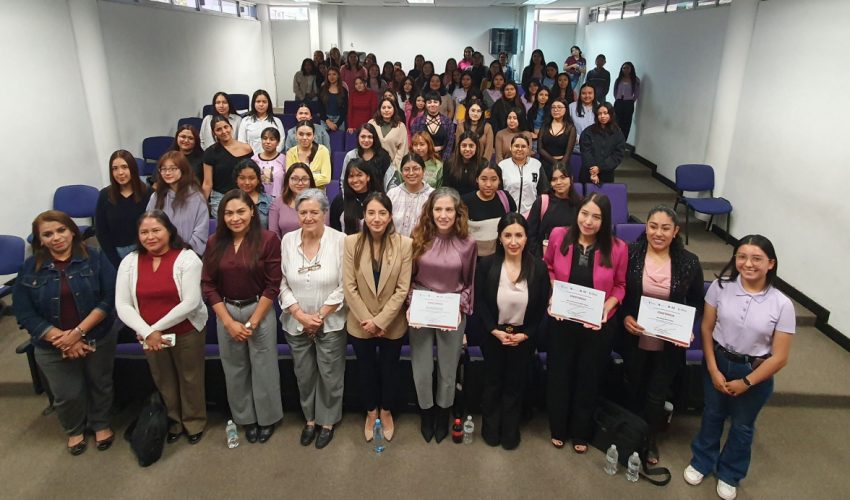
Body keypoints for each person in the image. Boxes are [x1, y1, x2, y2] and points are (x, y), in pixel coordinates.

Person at [684, 235, 795, 500]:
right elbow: (706, 329)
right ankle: (702, 461)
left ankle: (730, 473)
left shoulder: (782, 304)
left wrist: (746, 382)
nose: (748, 264)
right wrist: (713, 368)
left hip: (754, 371)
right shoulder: (720, 287)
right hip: (719, 360)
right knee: (712, 414)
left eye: (757, 258)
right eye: (742, 257)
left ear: (771, 263)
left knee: (743, 426)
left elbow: (780, 357)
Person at [13, 211, 117, 455]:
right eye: (48, 234)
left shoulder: (95, 257)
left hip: (96, 335)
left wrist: (78, 333)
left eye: (61, 230)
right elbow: (23, 311)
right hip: (52, 343)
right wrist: (61, 338)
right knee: (66, 393)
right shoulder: (29, 268)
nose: (56, 238)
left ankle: (101, 424)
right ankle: (74, 429)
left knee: (100, 383)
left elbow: (109, 298)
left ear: (72, 231)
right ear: (40, 240)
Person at [619, 206, 704, 465]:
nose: (658, 233)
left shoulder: (689, 262)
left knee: (657, 392)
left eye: (665, 228)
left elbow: (696, 302)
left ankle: (649, 440)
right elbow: (618, 290)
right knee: (633, 386)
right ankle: (630, 435)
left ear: (676, 231)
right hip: (634, 336)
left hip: (668, 342)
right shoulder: (630, 254)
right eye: (653, 226)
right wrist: (625, 316)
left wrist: (686, 327)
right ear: (646, 227)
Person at [115, 210, 209, 445]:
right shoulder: (130, 261)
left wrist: (153, 329)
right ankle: (174, 421)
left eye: (156, 230)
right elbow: (122, 304)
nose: (150, 236)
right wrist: (148, 333)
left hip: (186, 331)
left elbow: (191, 302)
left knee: (190, 378)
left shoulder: (187, 259)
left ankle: (194, 421)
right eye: (144, 232)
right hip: (149, 336)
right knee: (163, 379)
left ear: (169, 231)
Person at [544, 192, 627, 453]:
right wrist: (554, 294)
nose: (588, 221)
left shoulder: (618, 247)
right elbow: (547, 267)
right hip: (562, 320)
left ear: (605, 220)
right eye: (584, 214)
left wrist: (607, 308)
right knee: (559, 375)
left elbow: (620, 286)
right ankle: (558, 427)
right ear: (577, 213)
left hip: (597, 325)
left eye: (596, 217)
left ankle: (581, 431)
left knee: (588, 378)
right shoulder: (559, 235)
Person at [201, 190, 283, 445]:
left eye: (240, 212)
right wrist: (228, 322)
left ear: (252, 211)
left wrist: (253, 322)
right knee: (234, 368)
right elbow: (208, 285)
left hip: (259, 309)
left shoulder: (268, 239)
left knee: (264, 367)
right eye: (228, 213)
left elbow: (273, 285)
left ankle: (267, 418)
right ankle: (246, 418)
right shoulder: (214, 242)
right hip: (226, 312)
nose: (235, 218)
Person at [279, 189, 347, 449]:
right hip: (296, 322)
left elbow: (345, 285)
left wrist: (318, 316)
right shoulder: (287, 241)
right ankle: (310, 419)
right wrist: (299, 314)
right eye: (303, 212)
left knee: (330, 374)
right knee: (304, 374)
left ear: (325, 213)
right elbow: (282, 283)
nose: (308, 217)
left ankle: (327, 422)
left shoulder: (340, 240)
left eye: (314, 212)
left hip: (330, 321)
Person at [476, 213, 550, 449]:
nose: (513, 241)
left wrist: (526, 333)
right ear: (499, 238)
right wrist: (493, 330)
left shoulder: (538, 268)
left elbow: (541, 307)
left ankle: (510, 431)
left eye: (519, 235)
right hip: (494, 335)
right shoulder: (487, 265)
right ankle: (490, 429)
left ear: (527, 238)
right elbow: (480, 303)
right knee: (492, 383)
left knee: (514, 386)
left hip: (523, 336)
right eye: (507, 235)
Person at [409, 187, 477, 443]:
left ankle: (443, 413)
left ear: (458, 213)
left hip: (452, 309)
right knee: (422, 367)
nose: (443, 215)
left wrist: (460, 308)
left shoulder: (468, 243)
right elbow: (408, 277)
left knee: (448, 369)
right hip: (421, 306)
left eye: (449, 209)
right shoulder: (418, 237)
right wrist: (411, 304)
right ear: (430, 211)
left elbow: (469, 282)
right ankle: (426, 412)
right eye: (438, 209)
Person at [343, 192, 413, 442]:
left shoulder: (404, 244)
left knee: (389, 369)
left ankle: (386, 411)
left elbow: (402, 289)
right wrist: (369, 321)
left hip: (392, 323)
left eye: (382, 213)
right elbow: (349, 286)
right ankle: (371, 412)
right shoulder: (351, 242)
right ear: (364, 215)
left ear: (390, 216)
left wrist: (381, 321)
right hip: (360, 322)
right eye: (371, 213)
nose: (376, 218)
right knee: (365, 370)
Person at [96, 149, 151, 268]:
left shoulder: (148, 193)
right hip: (115, 253)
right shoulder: (105, 195)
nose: (120, 172)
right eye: (115, 168)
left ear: (133, 168)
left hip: (144, 251)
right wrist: (117, 261)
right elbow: (101, 231)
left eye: (124, 167)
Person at [148, 151, 209, 255]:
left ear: (183, 170)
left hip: (189, 254)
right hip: (161, 253)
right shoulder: (156, 197)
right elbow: (149, 225)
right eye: (163, 169)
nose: (167, 173)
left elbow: (200, 232)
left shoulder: (196, 197)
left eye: (173, 169)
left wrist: (184, 253)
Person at [526, 162, 581, 257]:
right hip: (544, 258)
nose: (559, 182)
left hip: (571, 258)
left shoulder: (580, 204)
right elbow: (530, 235)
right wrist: (539, 258)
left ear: (571, 179)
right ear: (550, 183)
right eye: (554, 179)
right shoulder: (542, 201)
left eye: (563, 177)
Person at [202, 114, 254, 215]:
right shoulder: (210, 152)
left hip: (244, 195)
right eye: (219, 129)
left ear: (231, 127)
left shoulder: (246, 148)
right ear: (214, 133)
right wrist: (201, 205)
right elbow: (207, 183)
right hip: (220, 198)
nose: (224, 131)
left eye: (226, 127)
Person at [462, 163, 516, 258]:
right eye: (483, 179)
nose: (488, 184)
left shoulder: (505, 198)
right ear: (477, 179)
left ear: (499, 180)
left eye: (494, 179)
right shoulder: (465, 201)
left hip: (500, 257)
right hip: (473, 258)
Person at [387, 154, 434, 237]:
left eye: (416, 169)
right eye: (406, 169)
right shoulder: (392, 194)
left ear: (423, 170)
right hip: (394, 243)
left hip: (423, 244)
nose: (411, 173)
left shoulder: (432, 196)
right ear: (401, 172)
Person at [330, 159, 383, 235]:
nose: (355, 180)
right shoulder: (339, 200)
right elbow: (334, 232)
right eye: (351, 176)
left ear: (368, 177)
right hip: (346, 242)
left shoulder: (379, 198)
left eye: (359, 175)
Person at [498, 134, 547, 216]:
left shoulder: (537, 165)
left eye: (523, 146)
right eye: (516, 146)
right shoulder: (502, 166)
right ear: (510, 147)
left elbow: (544, 191)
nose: (520, 149)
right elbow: (498, 192)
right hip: (508, 214)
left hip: (531, 214)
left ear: (528, 149)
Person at [340, 123, 396, 192]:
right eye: (363, 137)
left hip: (379, 196)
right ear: (358, 138)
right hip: (355, 197)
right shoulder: (351, 156)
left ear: (374, 138)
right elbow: (343, 181)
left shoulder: (383, 156)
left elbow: (391, 182)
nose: (366, 140)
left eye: (370, 137)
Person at [579, 102, 625, 185]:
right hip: (588, 172)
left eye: (605, 113)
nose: (602, 116)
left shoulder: (617, 133)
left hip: (607, 173)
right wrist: (593, 171)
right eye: (599, 114)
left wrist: (600, 168)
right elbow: (585, 152)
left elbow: (618, 154)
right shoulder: (588, 132)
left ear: (611, 114)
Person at [269, 163, 318, 238]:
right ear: (287, 180)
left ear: (310, 181)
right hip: (284, 245)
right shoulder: (277, 203)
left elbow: (324, 231)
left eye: (304, 179)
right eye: (295, 179)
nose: (300, 183)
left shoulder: (320, 202)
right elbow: (274, 235)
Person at [410, 91, 456, 164]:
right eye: (429, 102)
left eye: (435, 102)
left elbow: (450, 143)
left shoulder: (447, 122)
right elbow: (415, 142)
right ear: (425, 104)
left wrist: (444, 162)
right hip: (422, 159)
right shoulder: (417, 122)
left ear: (440, 103)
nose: (432, 104)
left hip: (443, 159)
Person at [285, 120, 332, 189]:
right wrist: (316, 175)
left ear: (314, 136)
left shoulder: (323, 151)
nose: (304, 138)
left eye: (308, 134)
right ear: (296, 136)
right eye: (301, 134)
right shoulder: (290, 152)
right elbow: (290, 177)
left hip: (317, 194)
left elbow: (326, 178)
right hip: (296, 193)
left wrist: (299, 178)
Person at [538, 98, 577, 178]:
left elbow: (568, 153)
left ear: (566, 109)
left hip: (563, 164)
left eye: (559, 107)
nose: (556, 110)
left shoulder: (570, 128)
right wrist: (556, 163)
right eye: (553, 107)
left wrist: (560, 166)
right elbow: (540, 149)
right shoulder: (545, 125)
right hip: (545, 163)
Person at [238, 89, 285, 155]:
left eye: (264, 102)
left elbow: (281, 141)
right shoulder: (245, 121)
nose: (261, 104)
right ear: (253, 103)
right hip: (250, 158)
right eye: (258, 101)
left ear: (268, 104)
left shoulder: (277, 121)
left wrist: (271, 155)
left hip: (272, 157)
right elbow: (241, 142)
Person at [368, 97, 409, 170]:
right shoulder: (372, 123)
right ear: (379, 109)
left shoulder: (401, 126)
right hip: (372, 165)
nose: (386, 110)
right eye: (383, 108)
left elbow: (403, 149)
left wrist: (393, 167)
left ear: (394, 109)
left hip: (393, 167)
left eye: (389, 107)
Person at [443, 130, 485, 196]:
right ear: (459, 147)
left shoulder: (483, 164)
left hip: (475, 200)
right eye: (464, 145)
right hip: (455, 200)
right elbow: (446, 188)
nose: (467, 149)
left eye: (471, 146)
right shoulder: (449, 163)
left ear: (476, 147)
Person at [234, 159, 272, 229]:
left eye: (251, 178)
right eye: (242, 178)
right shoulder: (229, 201)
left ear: (258, 179)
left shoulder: (270, 201)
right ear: (236, 179)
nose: (247, 182)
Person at [455, 99, 495, 163]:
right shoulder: (461, 126)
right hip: (463, 163)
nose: (475, 114)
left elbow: (488, 150)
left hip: (481, 164)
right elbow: (457, 148)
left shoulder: (487, 127)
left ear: (482, 113)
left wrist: (484, 165)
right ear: (468, 111)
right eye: (473, 110)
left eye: (478, 111)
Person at [253, 127, 286, 196]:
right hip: (259, 199)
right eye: (265, 138)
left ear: (278, 142)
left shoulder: (284, 159)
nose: (267, 142)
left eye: (272, 139)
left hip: (279, 199)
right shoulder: (254, 159)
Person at [613, 61, 640, 144]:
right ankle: (614, 142)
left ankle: (622, 143)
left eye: (627, 68)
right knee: (616, 122)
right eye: (624, 68)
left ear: (631, 69)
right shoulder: (619, 79)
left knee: (626, 123)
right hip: (618, 103)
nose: (625, 69)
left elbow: (637, 92)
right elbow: (615, 91)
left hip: (628, 103)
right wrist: (617, 99)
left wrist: (631, 100)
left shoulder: (635, 80)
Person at [318, 67, 348, 133]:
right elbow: (320, 107)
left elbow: (345, 109)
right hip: (325, 120)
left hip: (339, 120)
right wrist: (328, 121)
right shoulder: (322, 89)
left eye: (334, 74)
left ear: (338, 76)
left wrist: (337, 124)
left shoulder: (344, 91)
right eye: (329, 74)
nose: (331, 77)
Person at [569, 84, 597, 152]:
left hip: (594, 147)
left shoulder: (600, 108)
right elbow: (567, 125)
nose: (587, 96)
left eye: (590, 93)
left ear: (594, 94)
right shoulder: (571, 107)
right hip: (575, 146)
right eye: (584, 93)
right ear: (580, 94)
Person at [527, 86, 551, 152]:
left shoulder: (552, 111)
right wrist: (531, 133)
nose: (543, 97)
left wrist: (539, 135)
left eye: (546, 95)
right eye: (541, 94)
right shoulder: (531, 111)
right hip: (533, 138)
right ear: (537, 96)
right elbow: (528, 126)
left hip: (547, 139)